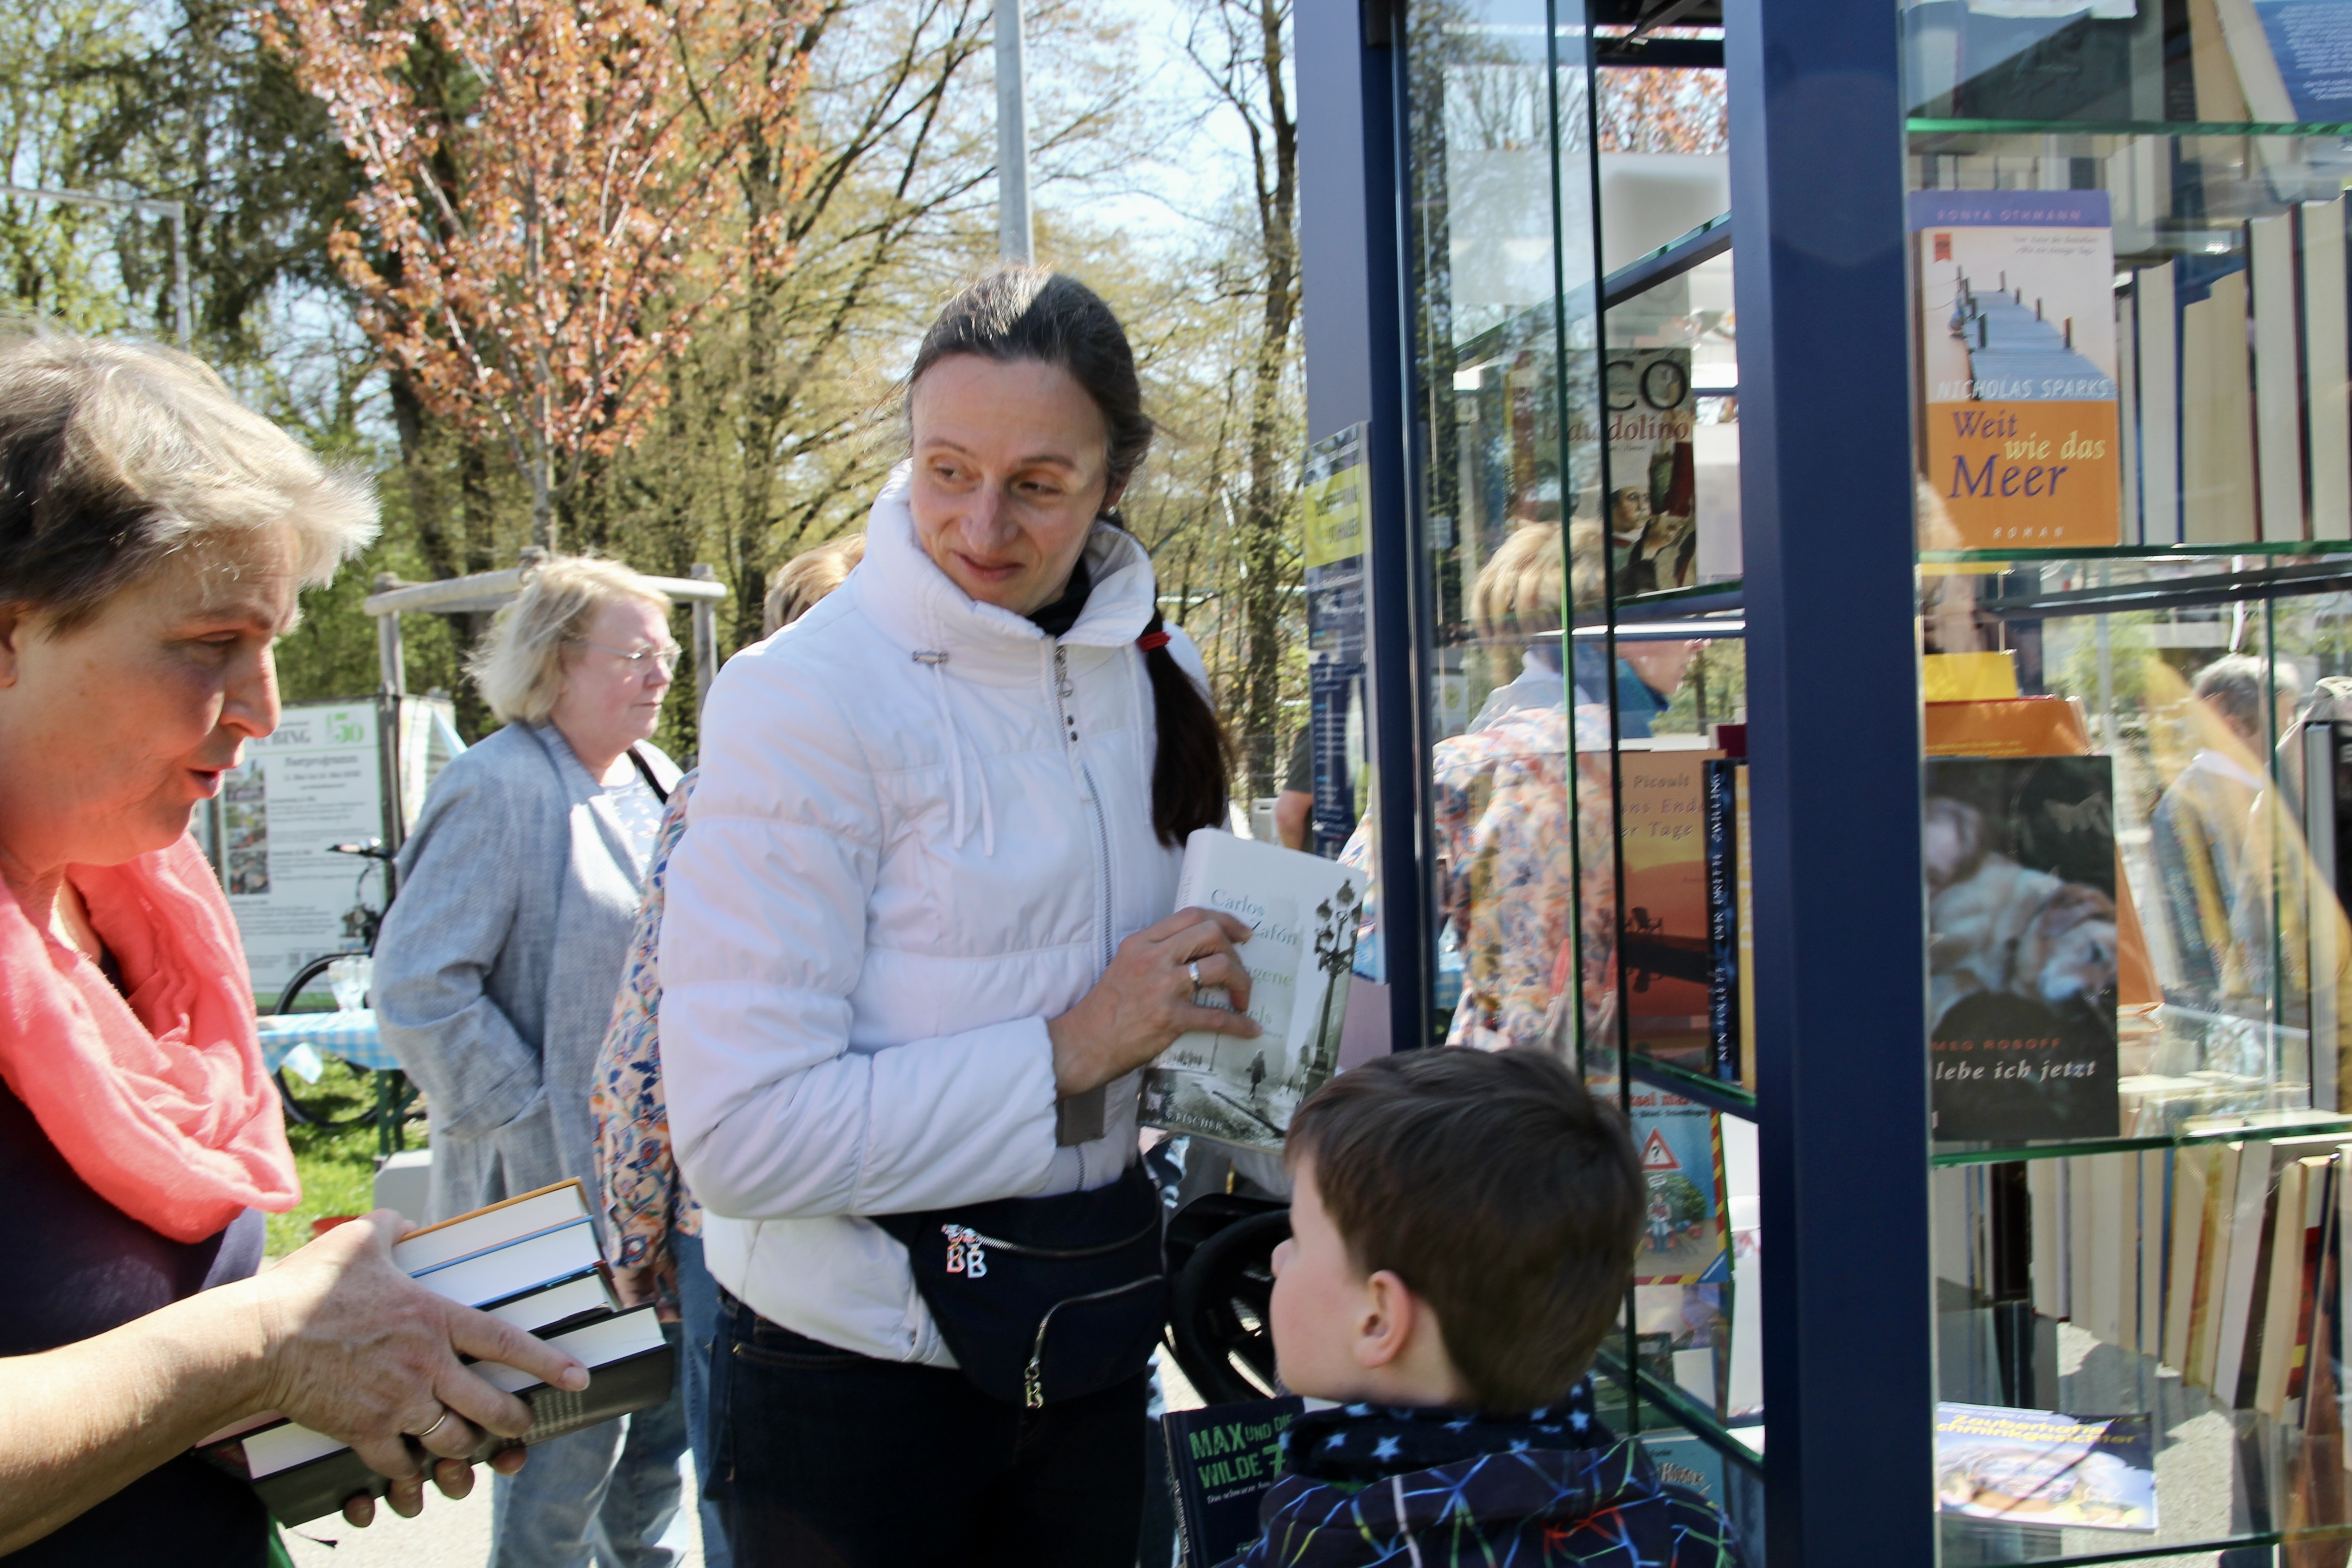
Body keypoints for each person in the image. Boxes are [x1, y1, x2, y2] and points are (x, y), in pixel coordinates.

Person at [660, 266, 1259, 1566]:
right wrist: (1068, 1050)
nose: (981, 524)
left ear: (1112, 485)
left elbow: (1208, 999)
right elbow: (737, 1139)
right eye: (945, 469)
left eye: (1039, 483)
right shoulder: (800, 699)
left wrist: (1282, 1076)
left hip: (1091, 1329)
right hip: (852, 1376)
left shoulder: (1165, 673)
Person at [0, 327, 584, 1562]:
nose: (263, 707)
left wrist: (314, 1394)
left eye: (271, 641)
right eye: (212, 644)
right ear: (10, 634)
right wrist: (260, 1347)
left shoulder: (144, 913)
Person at [374, 555, 688, 1568]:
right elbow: (420, 989)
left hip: (661, 1206)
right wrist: (528, 1117)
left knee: (656, 1462)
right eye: (637, 654)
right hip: (548, 1207)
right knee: (560, 1472)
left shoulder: (658, 783)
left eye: (668, 653)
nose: (662, 674)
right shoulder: (495, 785)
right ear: (556, 663)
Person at [590, 529, 865, 1568]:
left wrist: (635, 1230)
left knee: (754, 1525)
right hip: (933, 1218)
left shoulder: (720, 790)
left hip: (744, 1224)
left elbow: (648, 1038)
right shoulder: (971, 788)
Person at [1241, 1048, 1744, 1567]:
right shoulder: (1692, 1537)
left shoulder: (1308, 1546)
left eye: (1298, 1236)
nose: (1279, 1257)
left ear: (1378, 1319)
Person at [2150, 654, 2301, 1010]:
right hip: (2236, 1007)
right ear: (2234, 727)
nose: (2291, 734)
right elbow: (2188, 924)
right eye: (2283, 723)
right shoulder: (2193, 802)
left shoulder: (2262, 788)